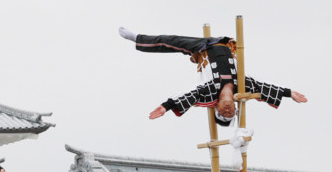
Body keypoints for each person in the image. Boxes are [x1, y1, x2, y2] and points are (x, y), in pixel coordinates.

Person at [118, 28, 307, 125]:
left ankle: (137, 38)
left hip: (202, 49)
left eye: (222, 113)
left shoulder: (209, 92)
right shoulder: (243, 86)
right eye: (230, 112)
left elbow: (189, 96)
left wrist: (165, 107)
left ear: (215, 106)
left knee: (170, 41)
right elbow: (264, 88)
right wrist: (290, 93)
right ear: (235, 107)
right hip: (225, 44)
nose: (227, 111)